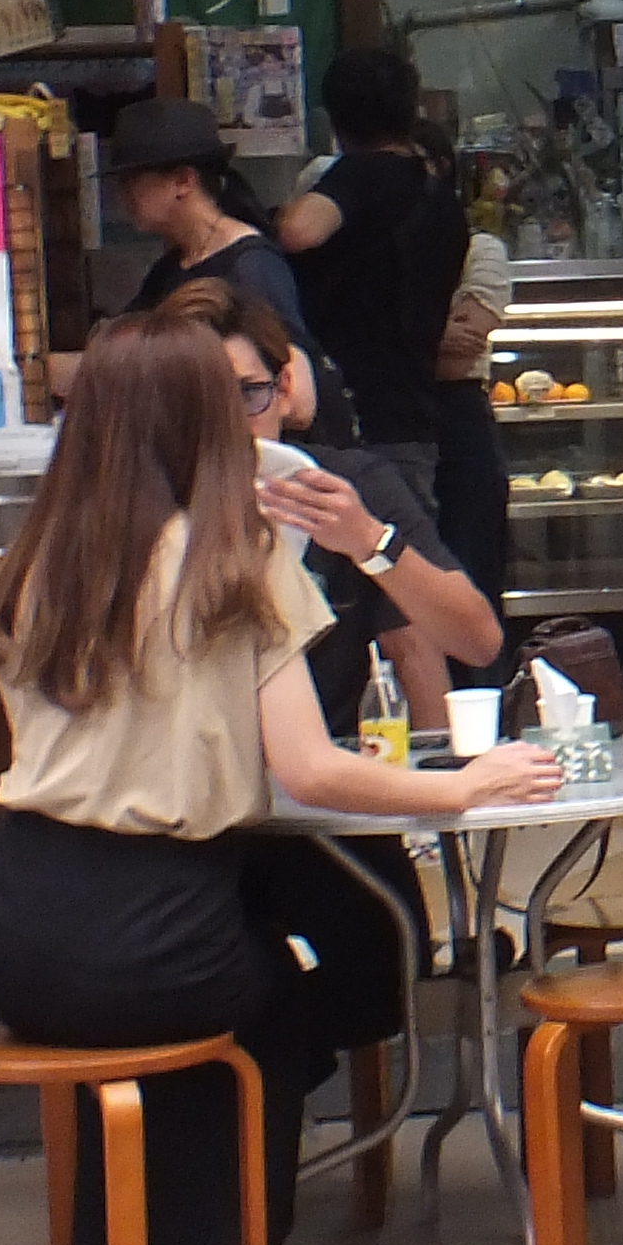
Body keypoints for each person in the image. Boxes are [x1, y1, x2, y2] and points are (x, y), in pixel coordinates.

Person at [0, 312, 552, 1245]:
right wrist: (468, 787)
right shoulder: (232, 562)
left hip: (10, 923)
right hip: (150, 915)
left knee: (163, 1023)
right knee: (264, 1011)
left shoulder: (32, 563)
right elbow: (310, 769)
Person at [171, 278, 500, 735]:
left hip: (337, 761)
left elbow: (475, 641)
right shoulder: (144, 498)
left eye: (247, 394)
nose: (227, 423)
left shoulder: (345, 486)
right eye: (200, 402)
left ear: (284, 388)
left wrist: (369, 542)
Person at [274, 44, 461, 609]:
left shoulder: (363, 177)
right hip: (414, 410)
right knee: (411, 596)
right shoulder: (441, 195)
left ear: (336, 120)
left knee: (369, 611)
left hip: (355, 420)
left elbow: (299, 232)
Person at [108, 93, 304, 342]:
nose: (123, 194)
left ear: (183, 181)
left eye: (131, 181)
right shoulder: (170, 269)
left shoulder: (252, 265)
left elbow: (288, 360)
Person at [426, 145, 516, 630]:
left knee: (473, 578)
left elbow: (464, 346)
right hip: (392, 420)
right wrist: (434, 336)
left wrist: (398, 338)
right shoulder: (370, 249)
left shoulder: (479, 249)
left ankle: (480, 694)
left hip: (460, 418)